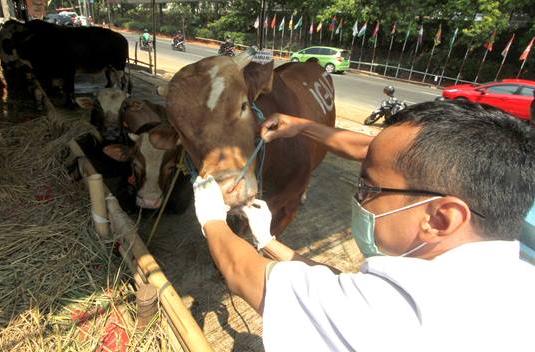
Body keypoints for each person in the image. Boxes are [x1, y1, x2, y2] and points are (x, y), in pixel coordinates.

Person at [192, 100, 535, 351]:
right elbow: (344, 284)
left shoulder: (388, 319)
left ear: (441, 218)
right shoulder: (518, 279)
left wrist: (212, 217)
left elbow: (241, 271)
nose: (359, 200)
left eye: (368, 189)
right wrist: (268, 241)